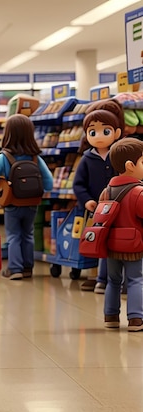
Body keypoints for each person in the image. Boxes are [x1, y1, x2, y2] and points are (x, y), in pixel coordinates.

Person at [0, 114, 53, 280]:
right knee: (28, 234)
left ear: (8, 134)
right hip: (32, 203)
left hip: (12, 203)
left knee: (13, 235)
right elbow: (49, 183)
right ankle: (28, 267)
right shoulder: (36, 158)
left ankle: (15, 269)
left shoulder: (4, 158)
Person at [73, 98, 123, 293]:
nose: (99, 136)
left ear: (117, 133)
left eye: (106, 131)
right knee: (95, 241)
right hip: (96, 211)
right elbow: (78, 184)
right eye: (93, 132)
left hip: (118, 209)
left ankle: (113, 278)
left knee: (115, 243)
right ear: (86, 134)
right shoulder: (87, 159)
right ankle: (95, 277)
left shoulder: (119, 155)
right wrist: (87, 201)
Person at [99, 137, 143, 332]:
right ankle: (136, 318)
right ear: (130, 165)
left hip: (110, 244)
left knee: (113, 280)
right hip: (134, 245)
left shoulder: (106, 191)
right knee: (135, 280)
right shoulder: (138, 192)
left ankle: (110, 316)